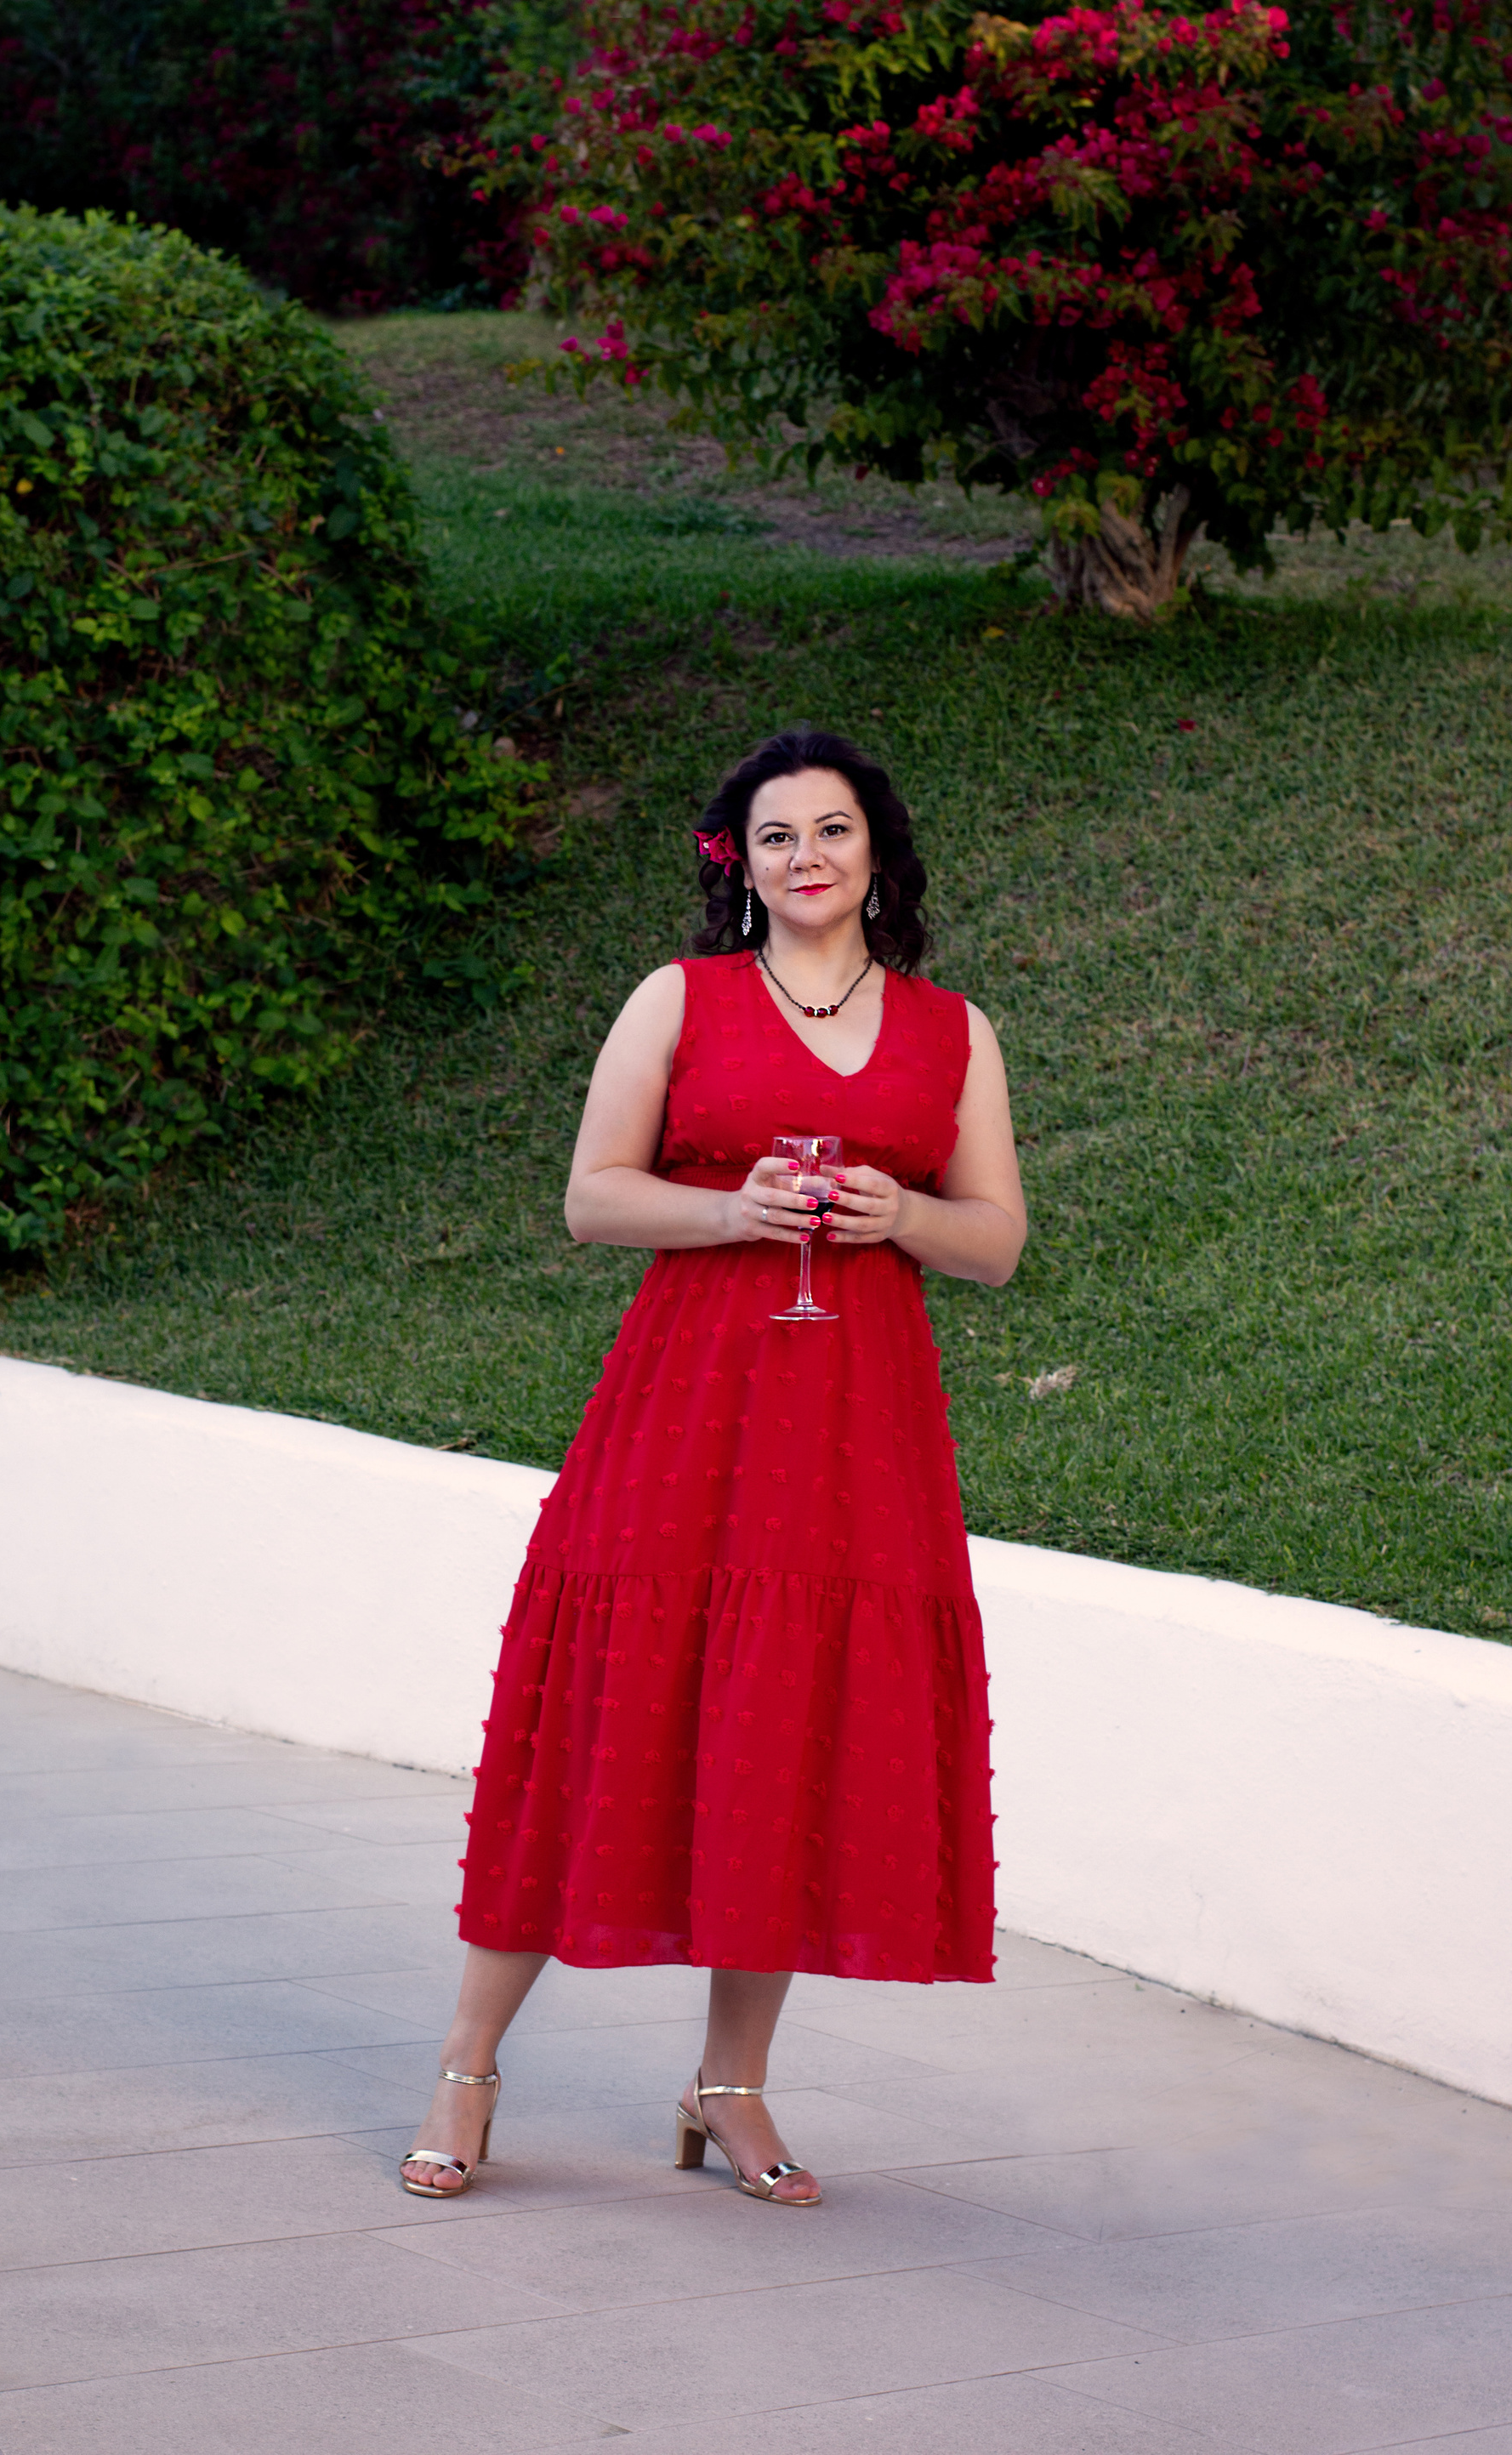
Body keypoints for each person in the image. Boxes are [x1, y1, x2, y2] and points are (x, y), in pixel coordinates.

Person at [401, 727, 1026, 2207]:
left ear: (878, 852)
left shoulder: (956, 1031)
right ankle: (468, 2067)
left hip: (857, 1430)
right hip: (685, 1411)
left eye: (833, 829)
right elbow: (592, 1198)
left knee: (786, 1734)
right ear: (739, 864)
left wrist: (903, 1217)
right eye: (776, 836)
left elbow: (997, 1240)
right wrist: (733, 1213)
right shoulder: (679, 998)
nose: (808, 856)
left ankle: (728, 2085)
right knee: (596, 1722)